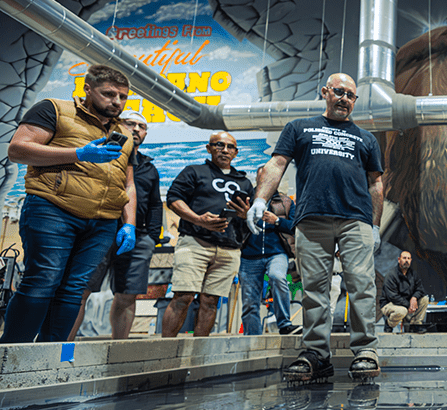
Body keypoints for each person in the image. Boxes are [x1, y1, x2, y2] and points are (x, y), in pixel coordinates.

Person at [247, 72, 384, 381]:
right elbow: (276, 164)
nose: (345, 99)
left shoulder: (366, 138)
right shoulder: (299, 127)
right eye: (339, 92)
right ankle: (316, 354)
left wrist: (375, 226)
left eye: (351, 95)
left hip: (356, 220)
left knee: (362, 285)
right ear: (325, 92)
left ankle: (365, 350)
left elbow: (376, 184)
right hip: (311, 219)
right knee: (314, 289)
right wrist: (260, 200)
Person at [0, 64, 137, 343]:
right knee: (42, 281)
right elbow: (17, 150)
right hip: (53, 209)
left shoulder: (124, 132)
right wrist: (78, 154)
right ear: (87, 89)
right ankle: (12, 354)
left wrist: (130, 224)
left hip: (102, 222)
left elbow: (128, 183)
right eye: (109, 94)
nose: (117, 102)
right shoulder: (54, 109)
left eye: (123, 96)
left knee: (74, 289)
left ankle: (50, 357)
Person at [69, 110, 163, 339]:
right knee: (80, 291)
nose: (136, 130)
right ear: (118, 125)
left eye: (142, 126)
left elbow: (155, 204)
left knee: (127, 295)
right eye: (131, 124)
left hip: (137, 237)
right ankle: (63, 347)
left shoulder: (149, 168)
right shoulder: (98, 154)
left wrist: (152, 237)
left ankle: (118, 349)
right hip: (97, 230)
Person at [162, 131, 253, 337]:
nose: (225, 150)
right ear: (209, 148)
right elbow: (173, 198)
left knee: (211, 301)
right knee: (183, 296)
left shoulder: (245, 182)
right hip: (195, 242)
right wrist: (198, 219)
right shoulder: (194, 171)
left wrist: (245, 215)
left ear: (236, 153)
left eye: (230, 147)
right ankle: (165, 349)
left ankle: (198, 351)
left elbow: (252, 216)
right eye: (219, 145)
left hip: (229, 248)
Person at [239, 177, 299, 336]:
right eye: (262, 178)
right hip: (249, 254)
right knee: (249, 300)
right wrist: (242, 217)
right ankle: (252, 337)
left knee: (277, 277)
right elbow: (232, 226)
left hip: (277, 252)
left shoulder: (286, 202)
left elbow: (295, 227)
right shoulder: (245, 201)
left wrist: (277, 220)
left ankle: (285, 324)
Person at [380, 251, 429, 332]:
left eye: (408, 258)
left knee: (424, 299)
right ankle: (389, 324)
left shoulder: (413, 274)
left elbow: (420, 289)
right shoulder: (391, 275)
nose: (406, 260)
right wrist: (409, 305)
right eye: (404, 258)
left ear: (411, 260)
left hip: (406, 304)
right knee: (402, 311)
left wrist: (414, 297)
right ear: (399, 259)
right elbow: (392, 296)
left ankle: (415, 324)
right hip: (389, 304)